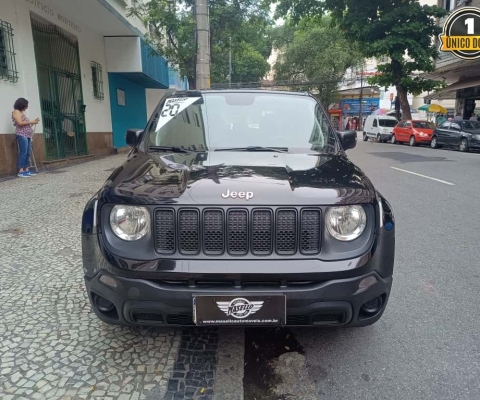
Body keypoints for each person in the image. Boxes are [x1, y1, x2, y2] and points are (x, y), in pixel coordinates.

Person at [12, 98, 39, 178]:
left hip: (27, 135)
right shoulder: (16, 111)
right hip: (21, 134)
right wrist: (31, 122)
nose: (27, 107)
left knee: (27, 153)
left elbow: (26, 124)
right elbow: (20, 123)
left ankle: (26, 170)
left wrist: (33, 123)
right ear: (22, 105)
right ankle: (20, 171)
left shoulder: (21, 112)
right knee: (23, 152)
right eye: (26, 105)